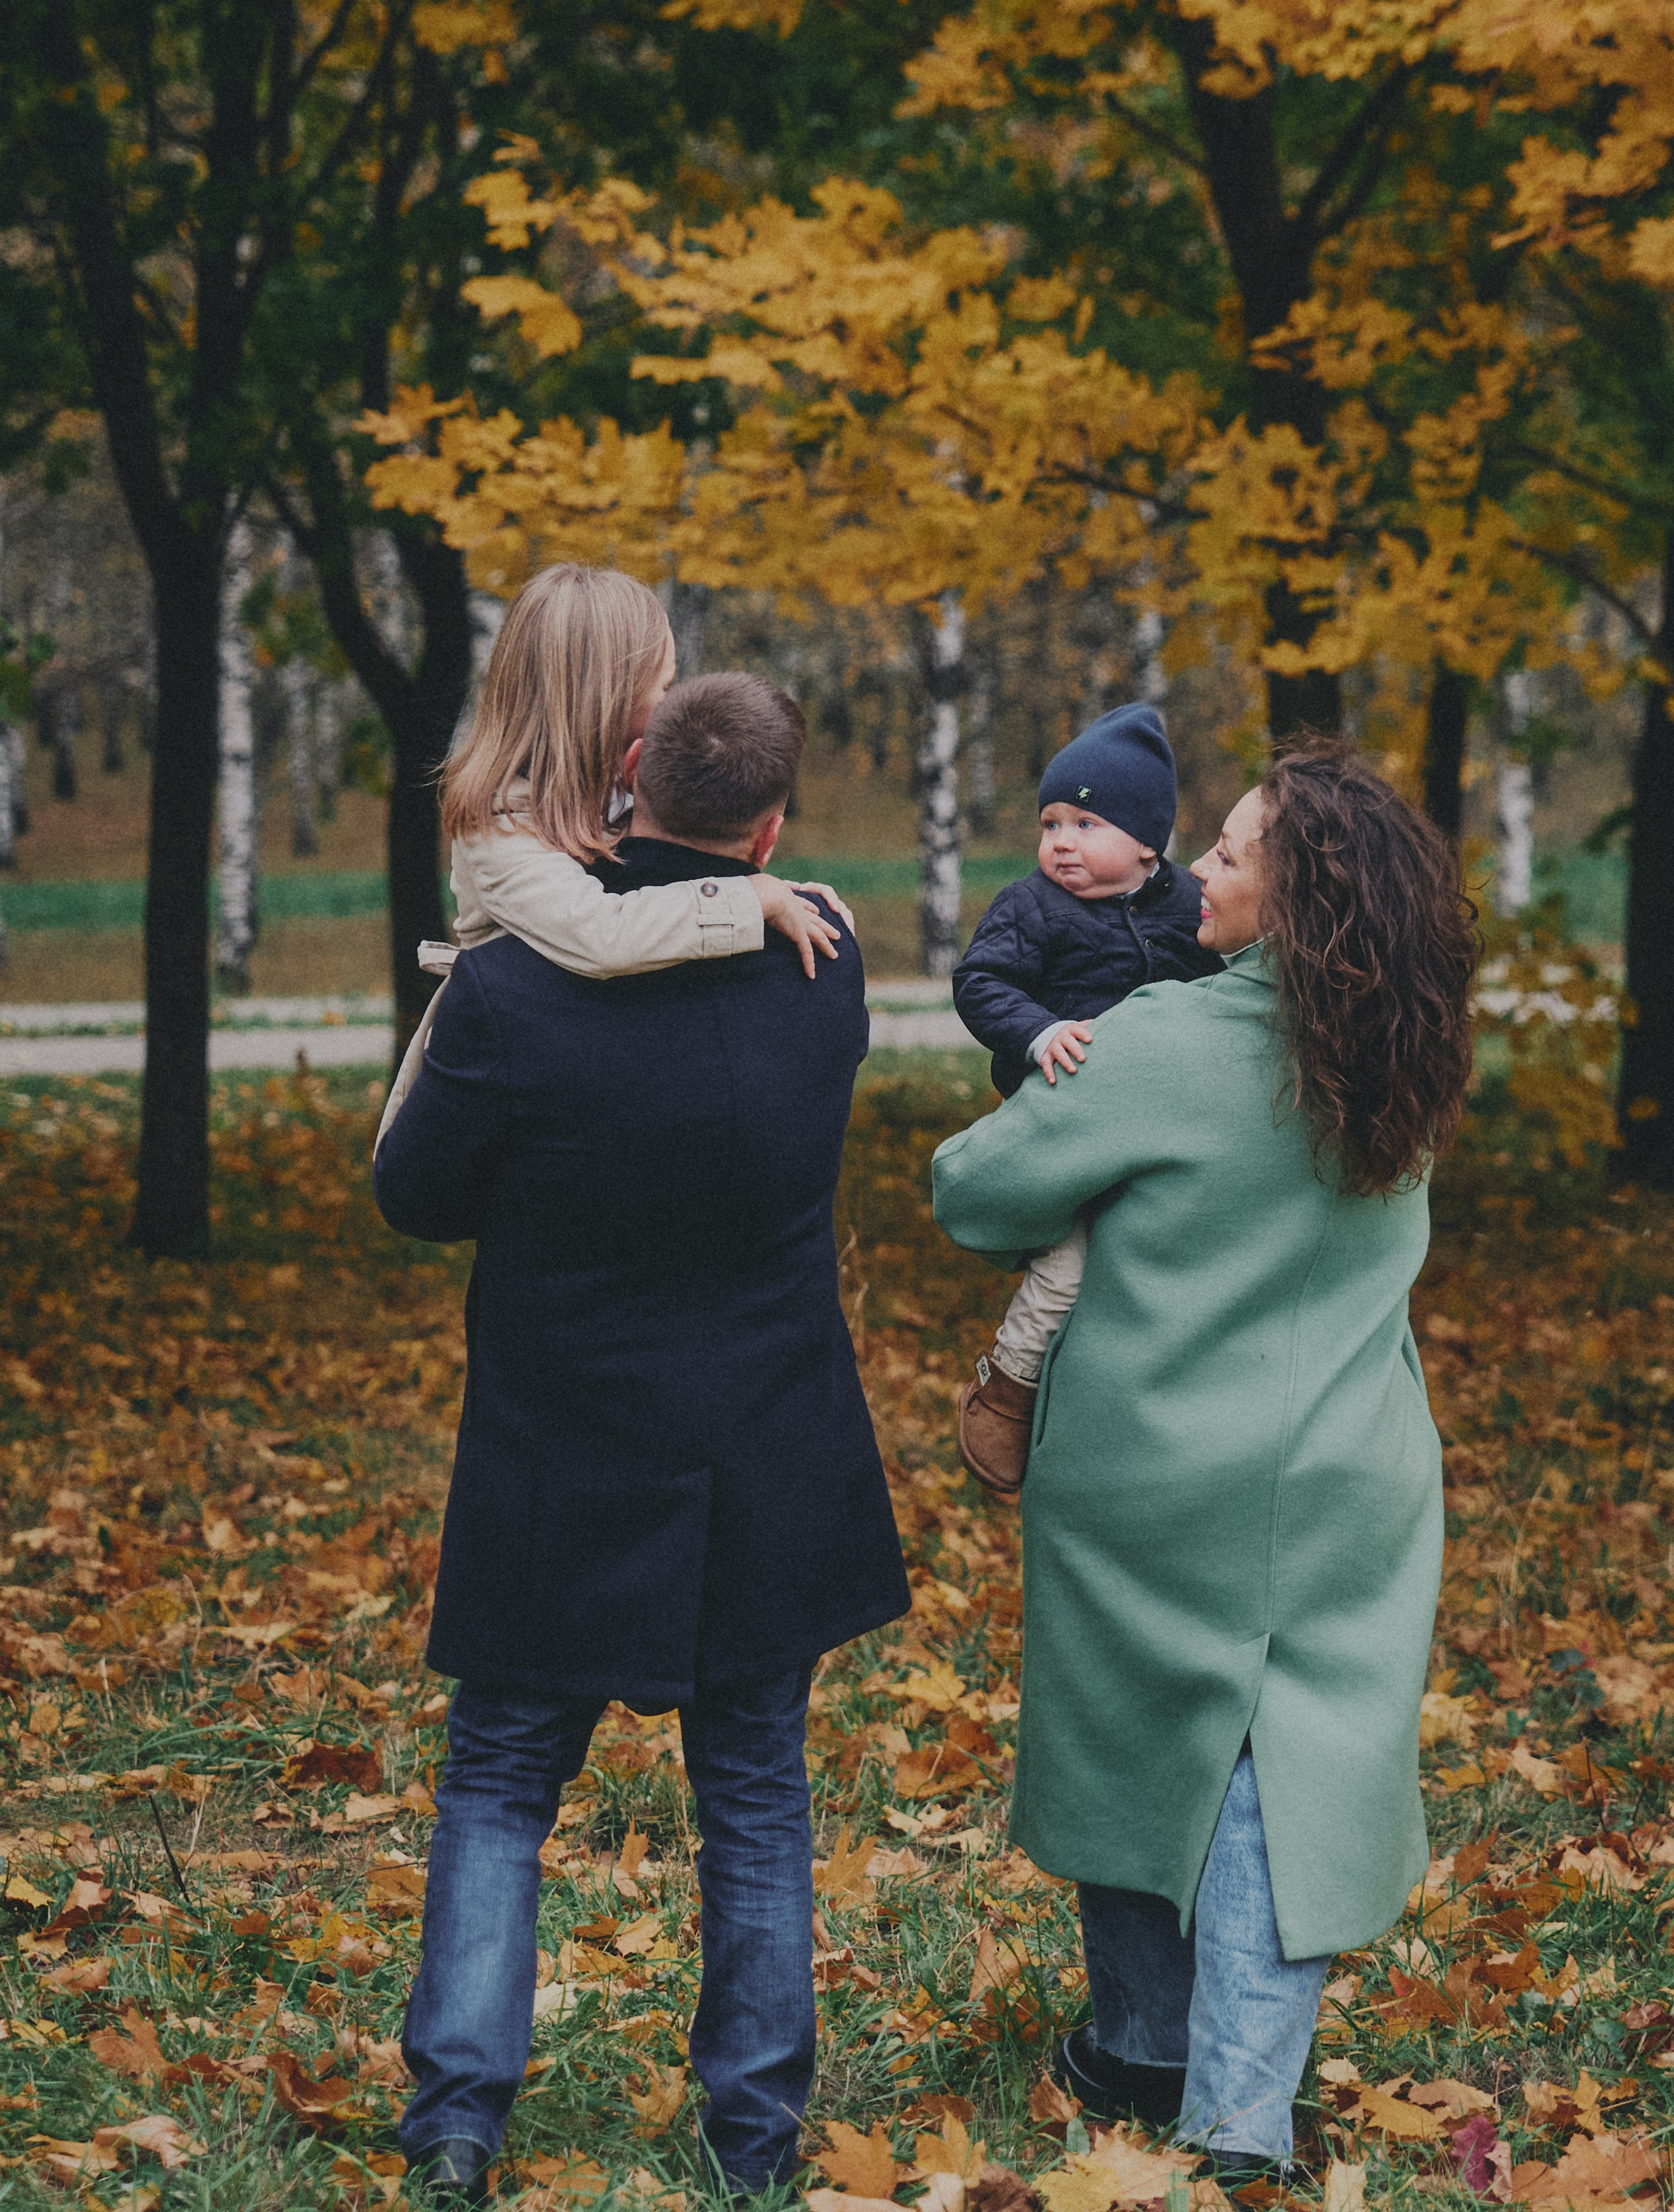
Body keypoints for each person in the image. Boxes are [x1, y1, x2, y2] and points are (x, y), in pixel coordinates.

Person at [375, 670, 910, 2205]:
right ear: (773, 825)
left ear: (626, 778)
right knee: (753, 1791)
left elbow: (412, 1193)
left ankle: (458, 2122)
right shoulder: (824, 965)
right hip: (765, 1447)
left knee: (497, 1785)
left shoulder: (510, 989)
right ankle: (753, 2132)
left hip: (563, 1444)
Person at [931, 740, 1478, 2180]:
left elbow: (972, 1192)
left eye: (1234, 852)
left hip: (1150, 1475)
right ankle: (1234, 2111)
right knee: (1283, 1767)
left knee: (1143, 1733)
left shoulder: (1161, 1044)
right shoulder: (1400, 1053)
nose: (1205, 869)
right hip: (1347, 1477)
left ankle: (1150, 2045)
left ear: (1295, 902)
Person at [376, 563, 849, 1148]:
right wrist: (750, 897)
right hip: (507, 1073)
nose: (671, 701)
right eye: (663, 686)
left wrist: (785, 893)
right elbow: (602, 936)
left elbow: (681, 862)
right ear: (605, 698)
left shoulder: (613, 784)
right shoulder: (499, 825)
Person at [948, 704, 1220, 1492]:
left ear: (1145, 840)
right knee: (1064, 1268)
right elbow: (979, 982)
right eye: (1050, 822)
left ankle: (1157, 1412)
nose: (1060, 841)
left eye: (1085, 822)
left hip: (1160, 1126)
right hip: (1064, 1118)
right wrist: (1035, 1032)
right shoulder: (1031, 906)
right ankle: (1012, 1381)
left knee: (1157, 1263)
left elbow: (1225, 977)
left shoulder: (1187, 904)